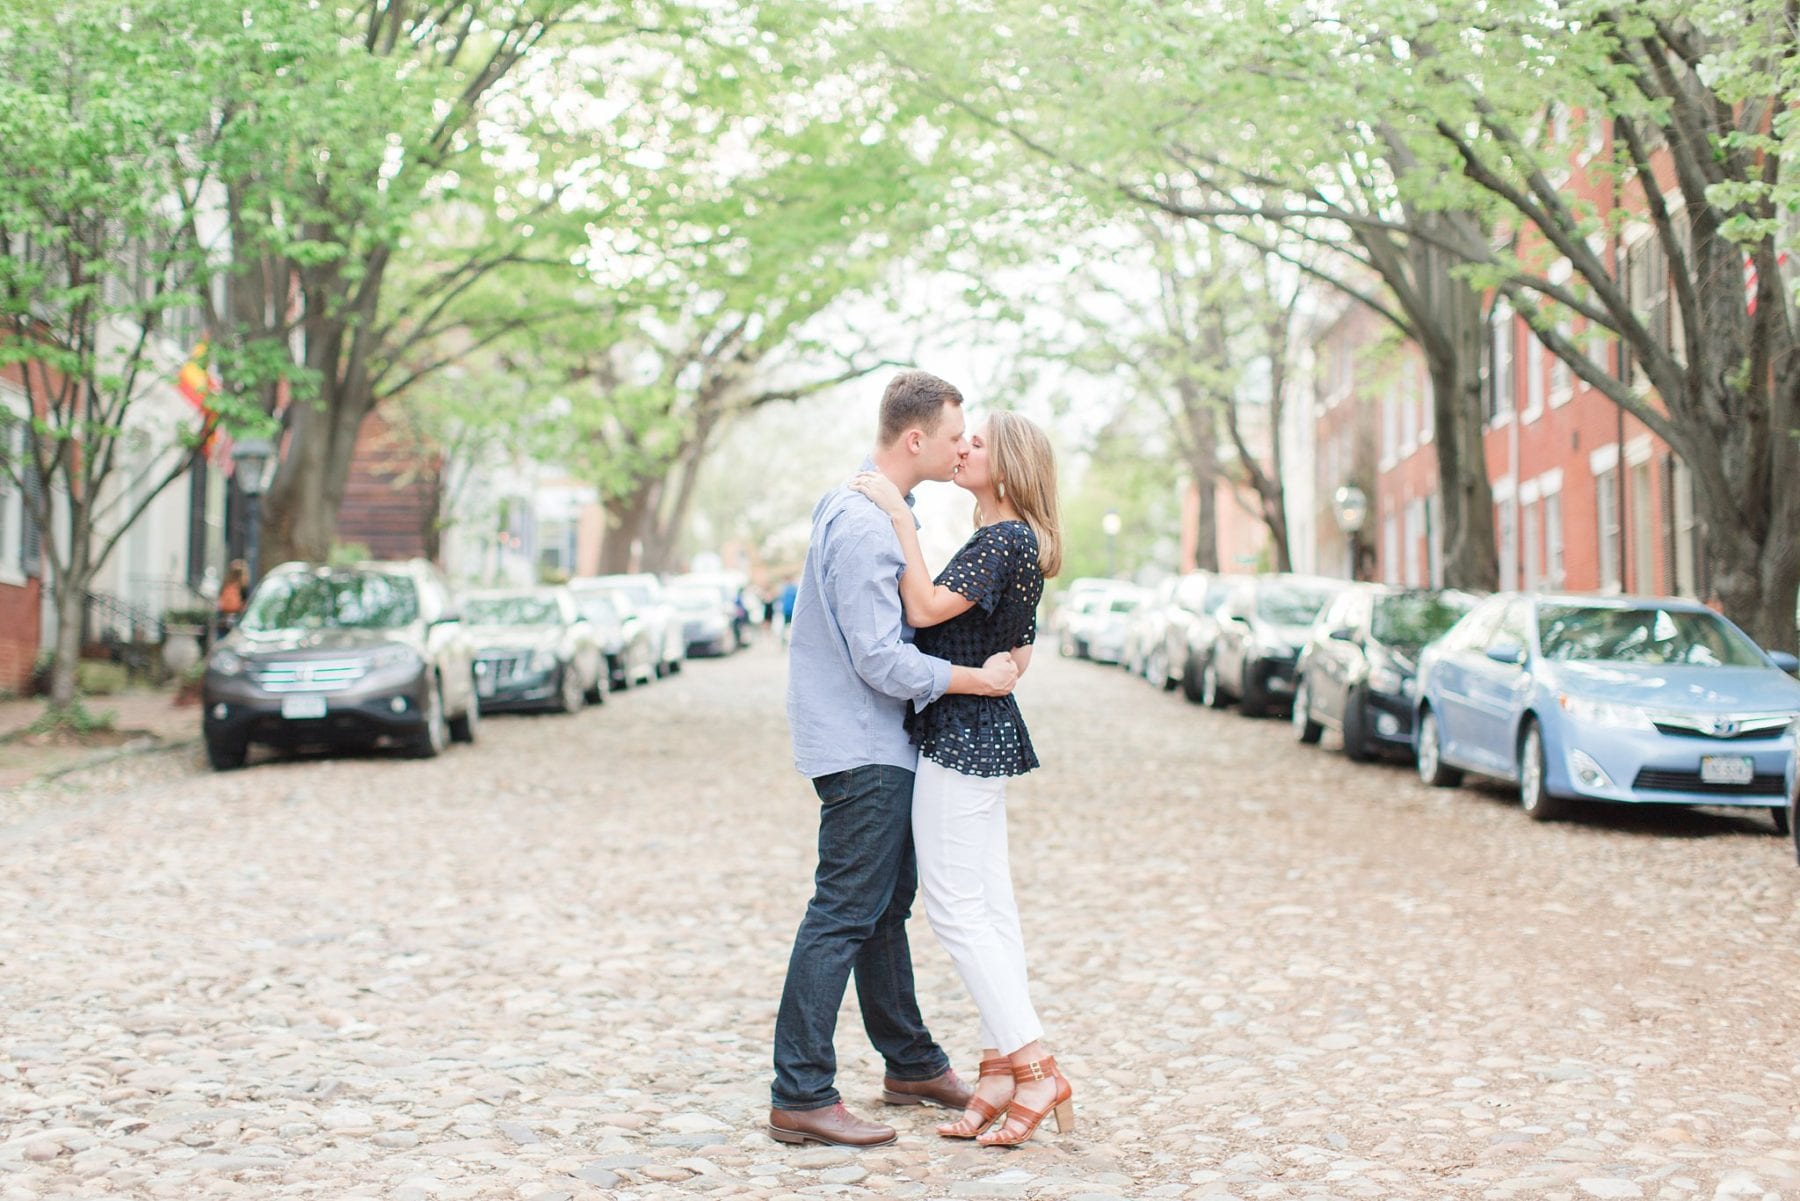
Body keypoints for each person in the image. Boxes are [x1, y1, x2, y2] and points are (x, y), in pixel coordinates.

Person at [770, 370, 1022, 1150]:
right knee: (845, 910)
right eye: (954, 437)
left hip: (885, 743)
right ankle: (801, 1091)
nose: (962, 450)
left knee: (883, 912)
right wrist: (970, 678)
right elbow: (882, 657)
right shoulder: (864, 520)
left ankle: (909, 1061)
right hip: (864, 744)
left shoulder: (884, 514)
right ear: (916, 438)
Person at [849, 410, 1074, 1148]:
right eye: (964, 437)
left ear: (1006, 467)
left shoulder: (999, 538)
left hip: (960, 739)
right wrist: (988, 675)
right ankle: (1001, 1066)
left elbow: (921, 608)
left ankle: (1034, 1063)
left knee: (952, 905)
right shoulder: (1020, 544)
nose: (964, 447)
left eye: (978, 443)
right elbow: (1018, 658)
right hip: (981, 735)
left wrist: (896, 516)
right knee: (991, 904)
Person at [214, 560, 249, 642]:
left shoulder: (226, 583)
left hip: (224, 616)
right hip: (235, 615)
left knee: (222, 639)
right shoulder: (243, 586)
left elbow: (220, 599)